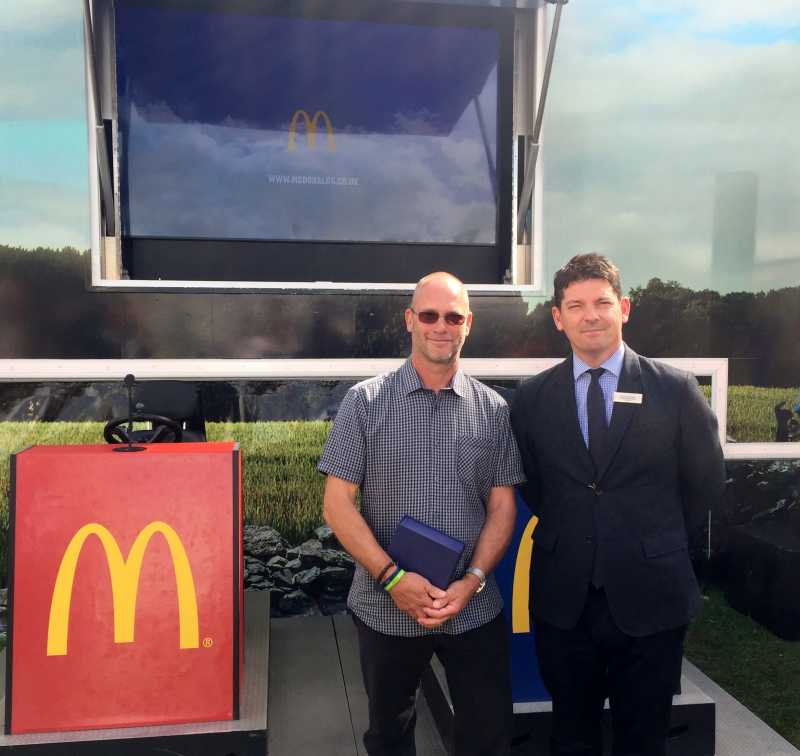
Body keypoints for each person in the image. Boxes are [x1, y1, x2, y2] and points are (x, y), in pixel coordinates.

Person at [510, 253, 726, 756]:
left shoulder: (673, 389)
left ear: (624, 308)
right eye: (576, 305)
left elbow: (705, 482)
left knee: (644, 737)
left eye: (602, 302)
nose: (591, 315)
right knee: (571, 734)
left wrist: (651, 538)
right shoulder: (533, 398)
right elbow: (534, 485)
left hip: (652, 597)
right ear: (558, 317)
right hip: (565, 602)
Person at [318, 271, 525, 756]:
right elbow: (337, 503)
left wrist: (471, 580)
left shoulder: (493, 411)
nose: (441, 326)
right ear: (410, 320)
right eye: (429, 315)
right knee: (389, 734)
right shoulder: (364, 403)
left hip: (471, 605)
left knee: (488, 735)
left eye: (453, 317)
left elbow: (502, 507)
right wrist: (393, 579)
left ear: (468, 324)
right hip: (385, 604)